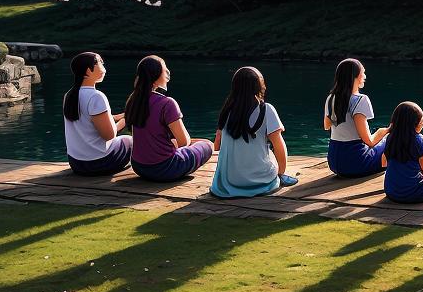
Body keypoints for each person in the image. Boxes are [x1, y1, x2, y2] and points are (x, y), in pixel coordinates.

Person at [210, 66, 298, 198]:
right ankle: (281, 176)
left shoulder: (226, 111)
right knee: (270, 152)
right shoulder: (266, 109)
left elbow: (217, 146)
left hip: (228, 183)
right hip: (261, 181)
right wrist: (280, 173)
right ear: (259, 86)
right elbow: (279, 145)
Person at [125, 55, 214, 182]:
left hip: (139, 166)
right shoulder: (167, 103)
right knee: (207, 144)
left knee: (191, 142)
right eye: (164, 68)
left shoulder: (133, 99)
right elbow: (184, 141)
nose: (167, 72)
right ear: (156, 76)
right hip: (165, 168)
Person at [62, 51, 132, 176]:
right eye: (101, 63)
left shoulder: (69, 95)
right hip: (97, 164)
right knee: (130, 140)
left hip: (76, 163)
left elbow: (90, 119)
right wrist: (126, 120)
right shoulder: (96, 96)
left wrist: (121, 116)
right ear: (88, 71)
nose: (104, 68)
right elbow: (109, 135)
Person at [324, 58, 389, 177]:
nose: (364, 76)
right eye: (363, 72)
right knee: (391, 139)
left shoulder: (331, 98)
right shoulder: (360, 99)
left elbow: (327, 126)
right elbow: (369, 141)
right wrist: (385, 131)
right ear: (356, 76)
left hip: (334, 162)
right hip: (355, 163)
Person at [381, 101, 423, 203]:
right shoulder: (419, 140)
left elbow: (384, 163)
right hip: (414, 193)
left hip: (391, 191)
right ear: (417, 122)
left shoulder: (390, 138)